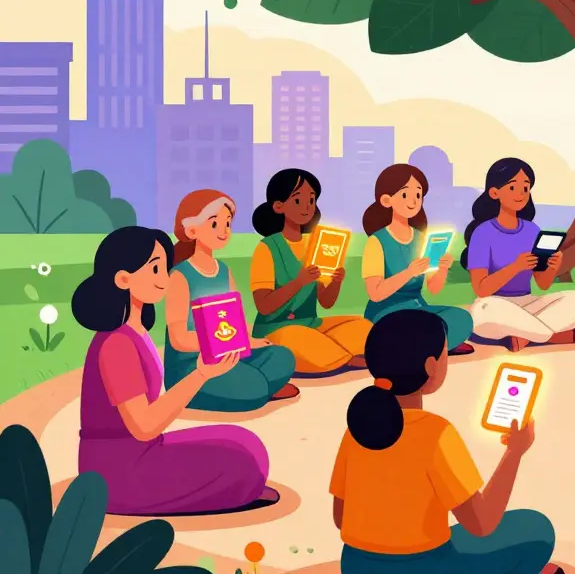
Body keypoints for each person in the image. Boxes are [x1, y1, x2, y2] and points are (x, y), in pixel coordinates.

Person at [330, 309, 562, 574]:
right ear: (431, 366)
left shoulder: (356, 428)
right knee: (536, 529)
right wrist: (515, 451)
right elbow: (482, 524)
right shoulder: (436, 433)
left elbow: (340, 518)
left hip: (356, 565)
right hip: (427, 567)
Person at [74, 226, 276, 515]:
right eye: (155, 269)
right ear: (123, 278)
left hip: (139, 452)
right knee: (242, 460)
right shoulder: (116, 343)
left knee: (245, 443)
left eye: (165, 269)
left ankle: (236, 485)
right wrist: (200, 375)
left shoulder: (135, 331)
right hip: (118, 473)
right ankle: (235, 488)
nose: (164, 279)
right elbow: (144, 426)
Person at [164, 189, 299, 411]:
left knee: (282, 357)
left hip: (230, 355)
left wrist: (248, 341)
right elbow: (179, 340)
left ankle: (257, 386)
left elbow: (235, 321)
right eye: (215, 223)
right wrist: (229, 343)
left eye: (228, 223)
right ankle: (259, 388)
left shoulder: (224, 270)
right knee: (253, 385)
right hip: (193, 366)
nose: (224, 230)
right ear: (192, 230)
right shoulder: (180, 276)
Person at [249, 169, 373, 374]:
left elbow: (325, 302)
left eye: (312, 200)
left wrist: (336, 282)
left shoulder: (315, 245)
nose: (307, 207)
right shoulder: (267, 248)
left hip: (311, 324)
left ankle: (334, 354)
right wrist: (298, 282)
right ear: (279, 206)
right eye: (298, 201)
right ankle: (343, 357)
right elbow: (264, 306)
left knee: (362, 326)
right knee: (295, 340)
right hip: (276, 328)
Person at [464, 158, 575, 352]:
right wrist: (516, 267)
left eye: (525, 188)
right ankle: (551, 337)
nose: (521, 194)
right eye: (512, 187)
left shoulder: (532, 230)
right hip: (495, 303)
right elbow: (481, 289)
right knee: (484, 312)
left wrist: (552, 267)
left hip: (528, 304)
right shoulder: (482, 233)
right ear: (494, 192)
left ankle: (526, 336)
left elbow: (542, 284)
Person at [362, 163, 475, 355]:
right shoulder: (376, 241)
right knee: (414, 328)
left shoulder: (421, 238)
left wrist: (442, 269)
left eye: (418, 195)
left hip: (419, 309)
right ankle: (435, 345)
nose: (413, 201)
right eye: (405, 194)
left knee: (462, 318)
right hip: (386, 313)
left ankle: (423, 346)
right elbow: (376, 294)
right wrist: (409, 273)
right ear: (387, 200)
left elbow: (433, 288)